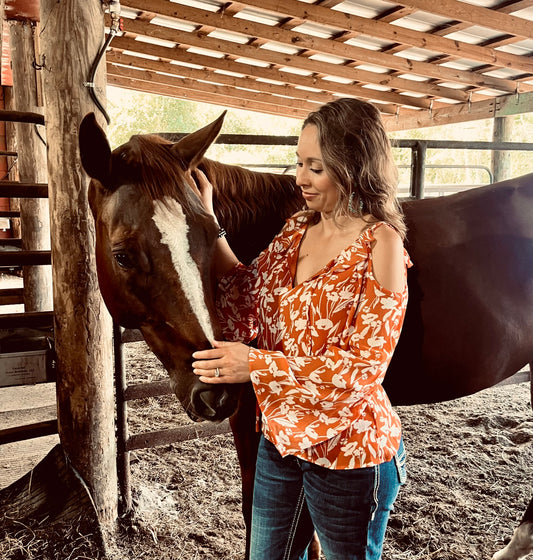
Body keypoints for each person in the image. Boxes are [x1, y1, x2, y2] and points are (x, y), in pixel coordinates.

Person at [190, 97, 411, 560]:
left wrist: (254, 364)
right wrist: (209, 223)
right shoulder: (296, 229)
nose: (298, 178)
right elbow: (247, 290)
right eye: (298, 162)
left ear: (353, 168)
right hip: (280, 440)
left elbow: (362, 371)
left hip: (350, 453)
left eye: (315, 167)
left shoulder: (382, 245)